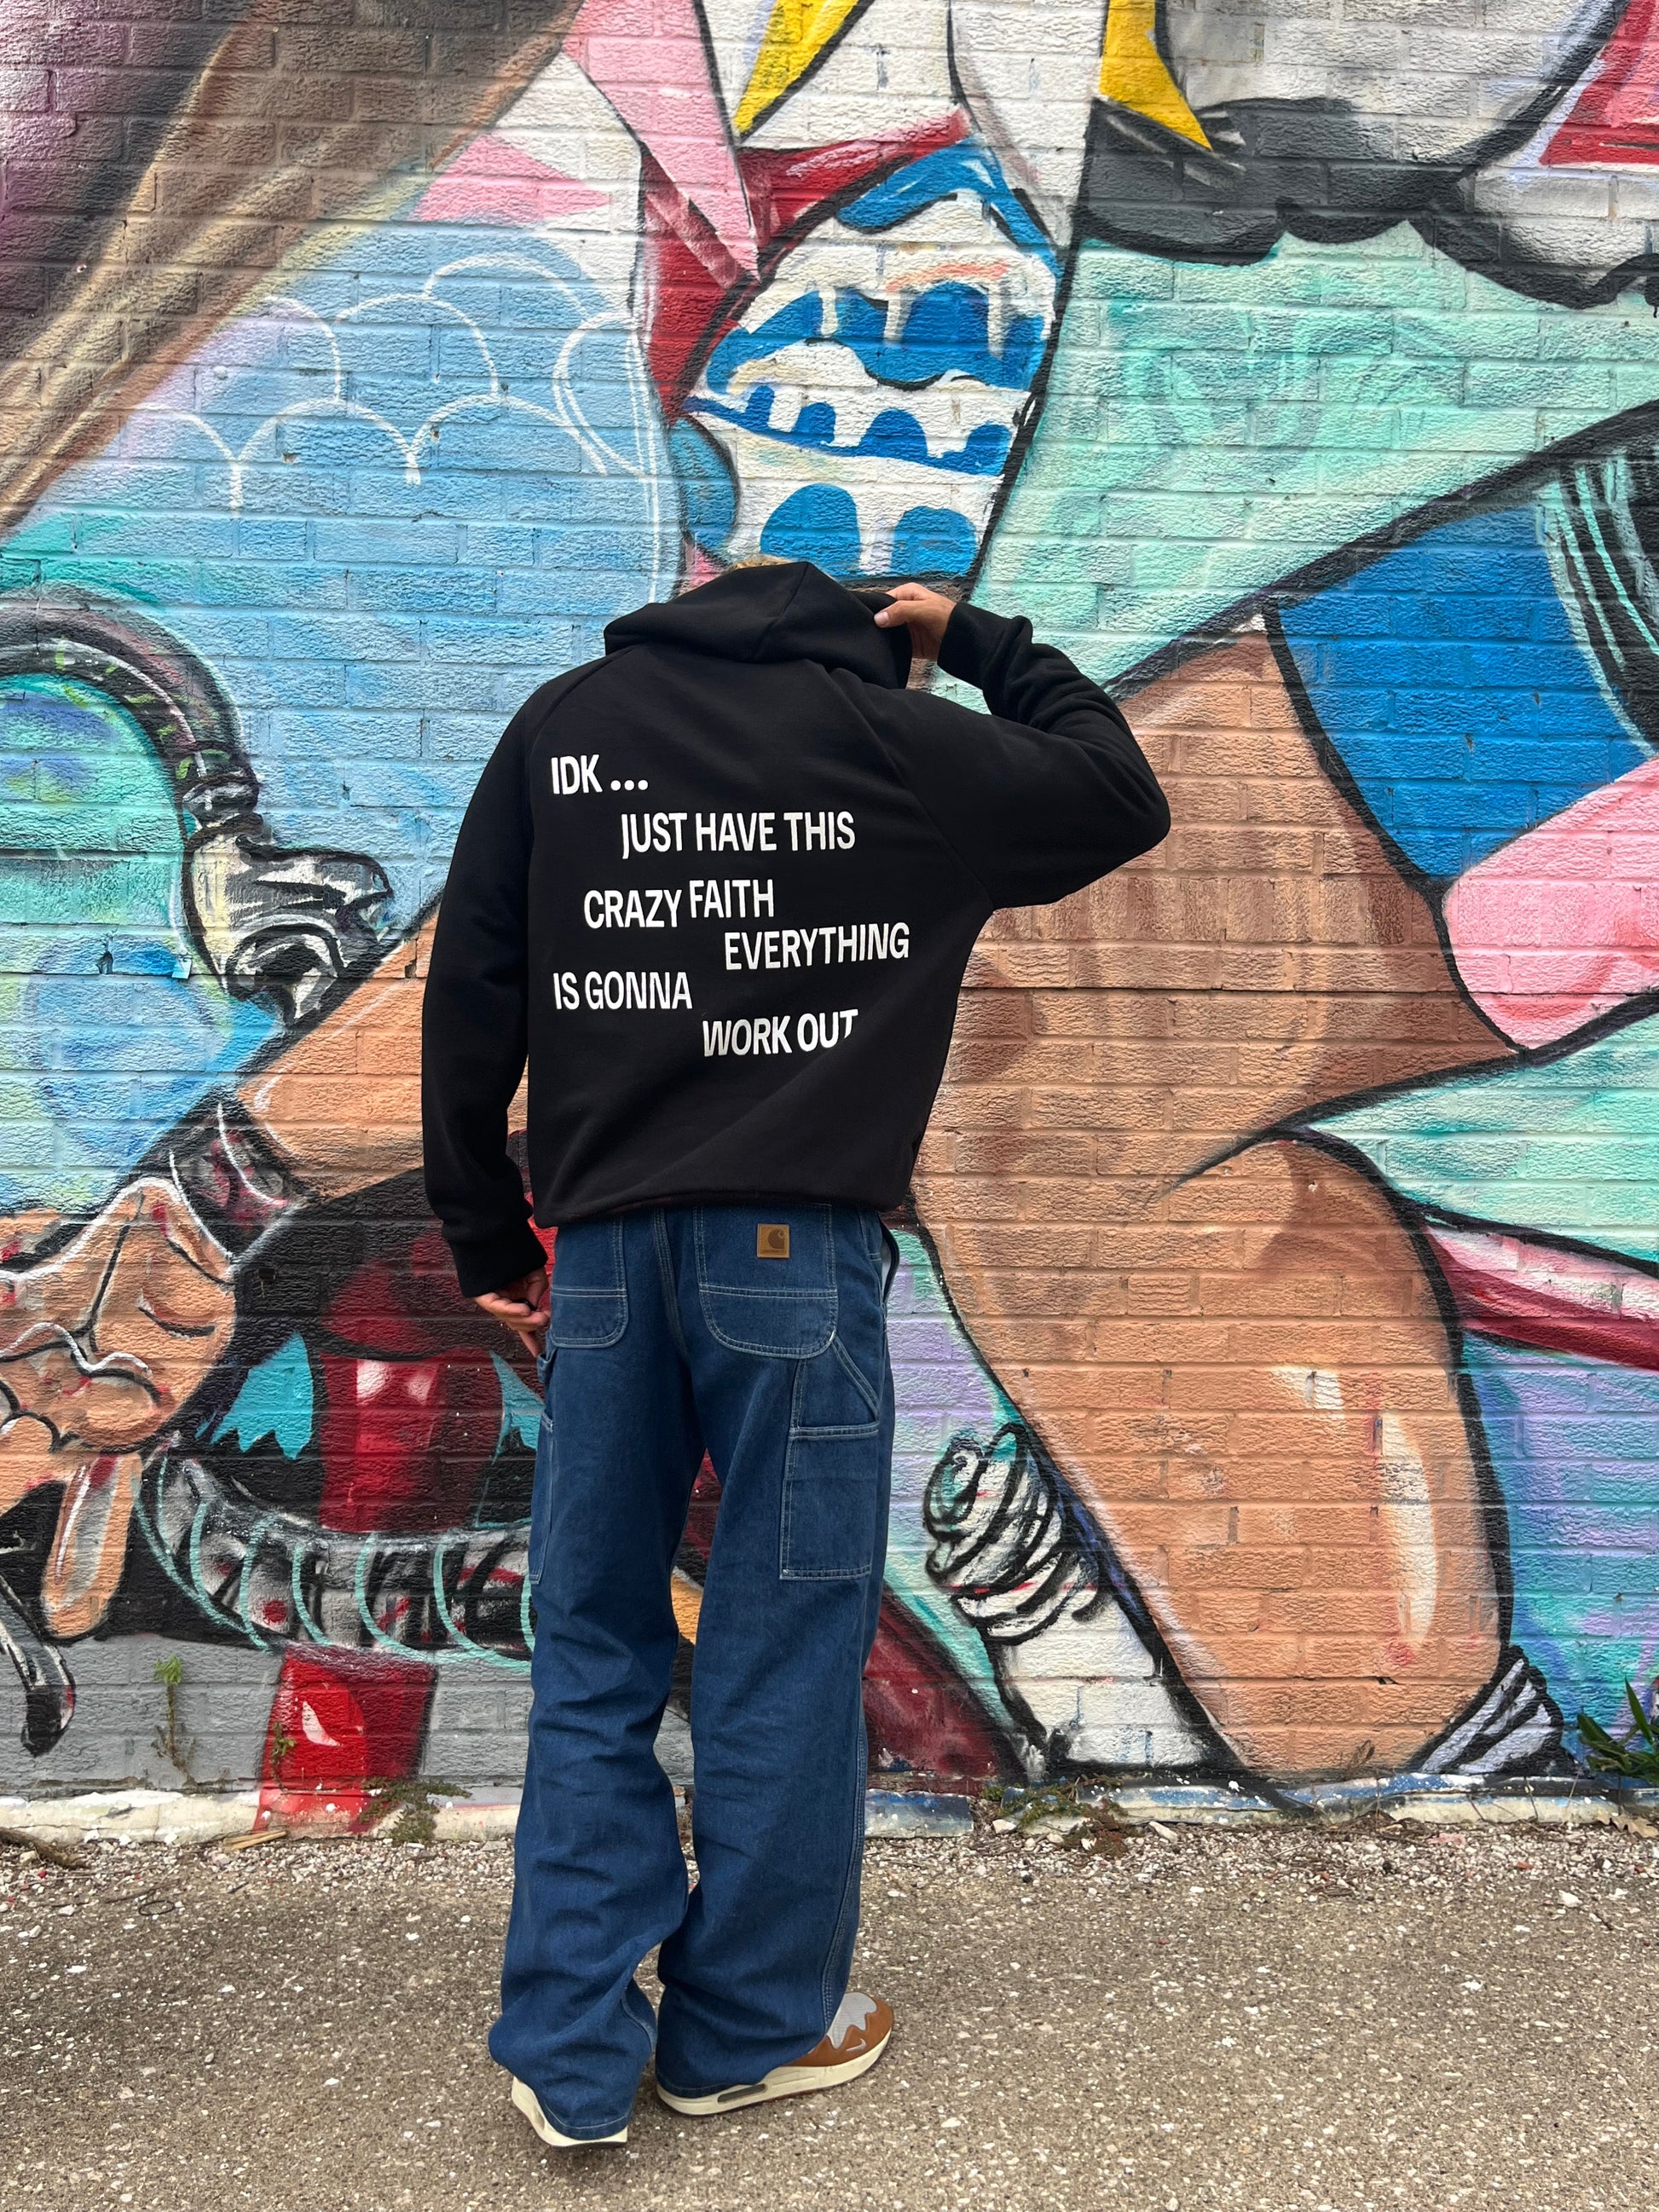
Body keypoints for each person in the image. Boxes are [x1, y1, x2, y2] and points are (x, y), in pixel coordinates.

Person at [419, 558, 1169, 2147]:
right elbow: (1117, 790)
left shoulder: (566, 727)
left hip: (604, 1258)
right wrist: (974, 640)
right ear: (869, 645)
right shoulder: (891, 742)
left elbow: (472, 985)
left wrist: (487, 1235)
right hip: (795, 1265)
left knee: (596, 1641)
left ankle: (569, 2054)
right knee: (780, 1648)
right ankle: (742, 2034)